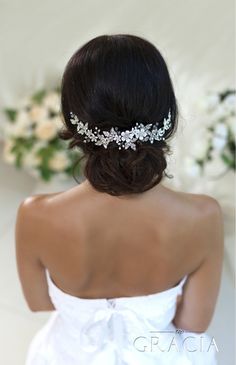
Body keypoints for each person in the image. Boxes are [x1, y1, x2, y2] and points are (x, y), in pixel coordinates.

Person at [15, 34, 224, 365]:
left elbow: (40, 303)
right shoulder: (203, 214)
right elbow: (193, 324)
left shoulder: (34, 215)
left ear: (73, 119)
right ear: (166, 115)